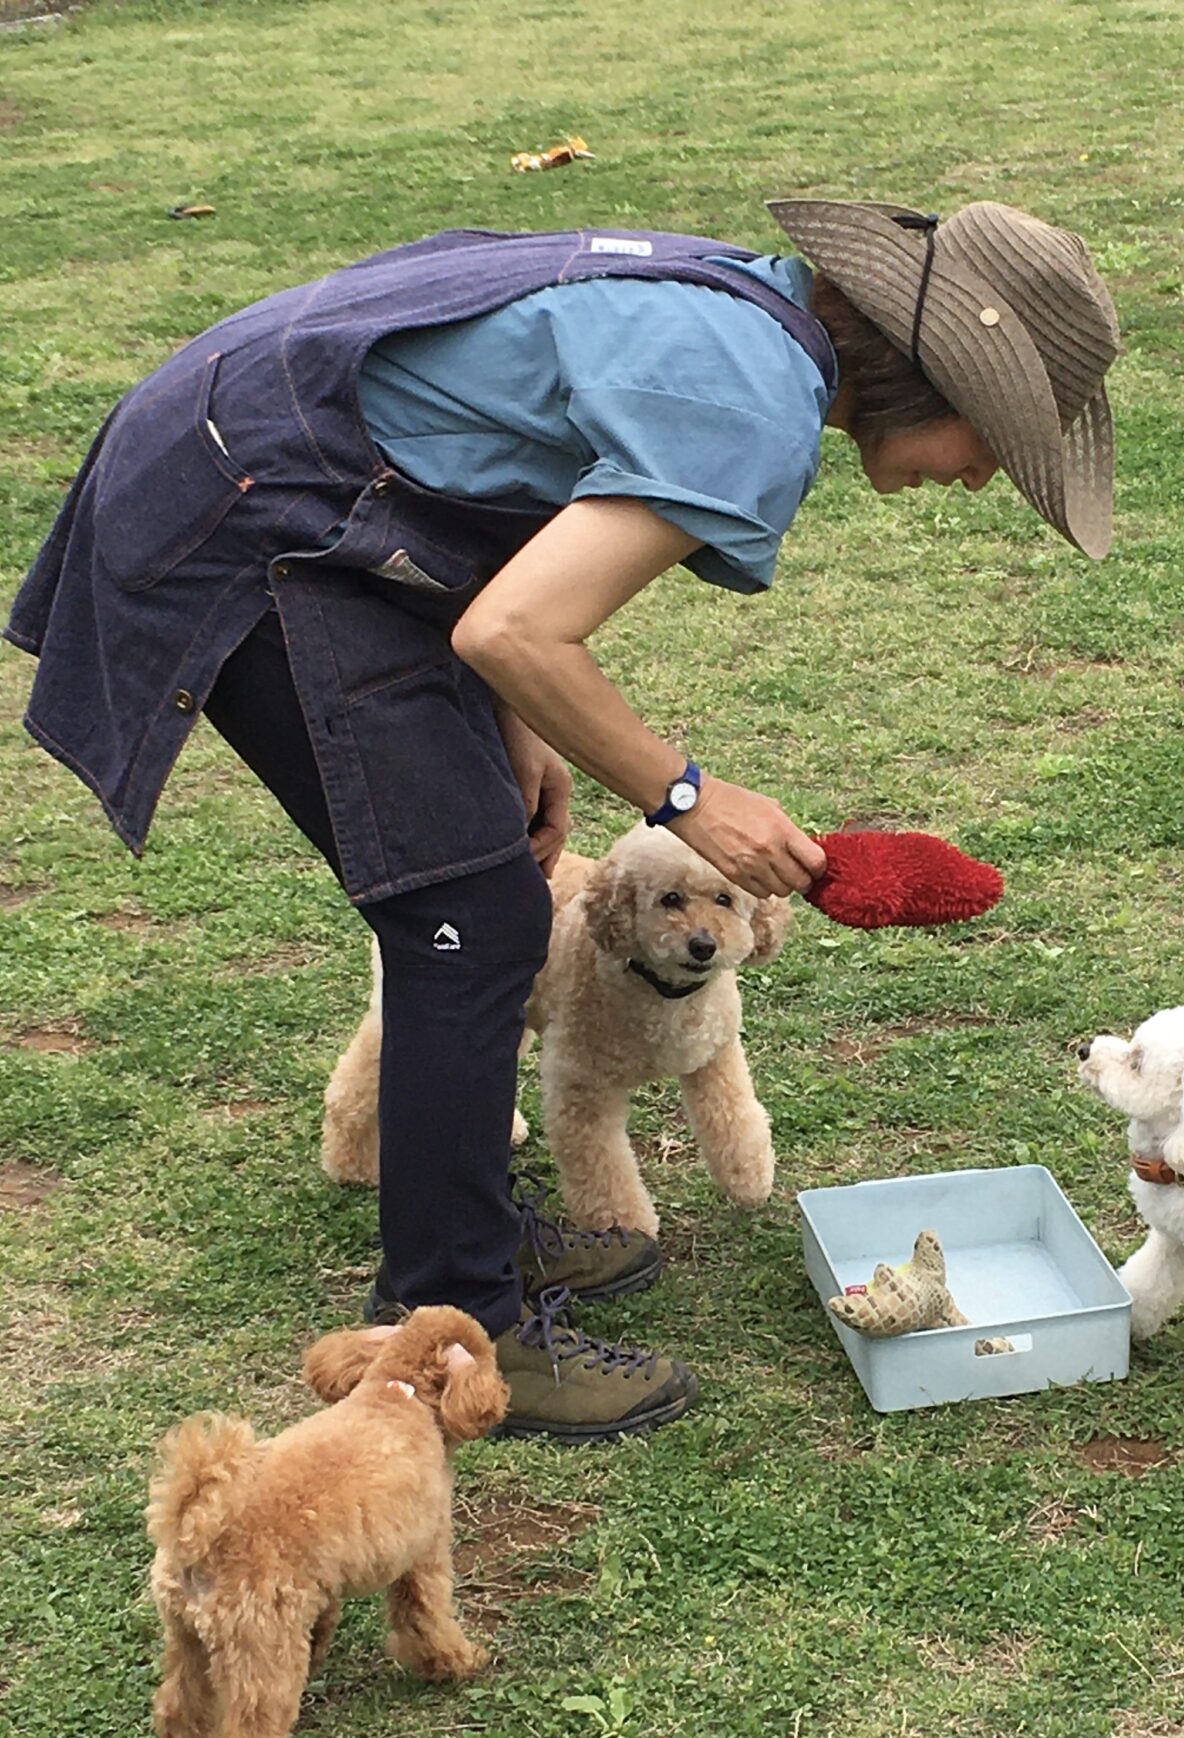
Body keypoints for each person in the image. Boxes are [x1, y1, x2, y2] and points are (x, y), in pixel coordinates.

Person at [5, 198, 1120, 1441]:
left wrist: (515, 715)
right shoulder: (752, 392)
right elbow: (513, 626)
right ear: (934, 374)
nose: (984, 477)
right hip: (250, 513)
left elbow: (495, 497)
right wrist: (688, 799)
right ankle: (452, 1330)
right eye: (996, 441)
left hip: (322, 506)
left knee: (485, 881)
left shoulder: (753, 318)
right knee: (470, 918)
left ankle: (469, 1232)